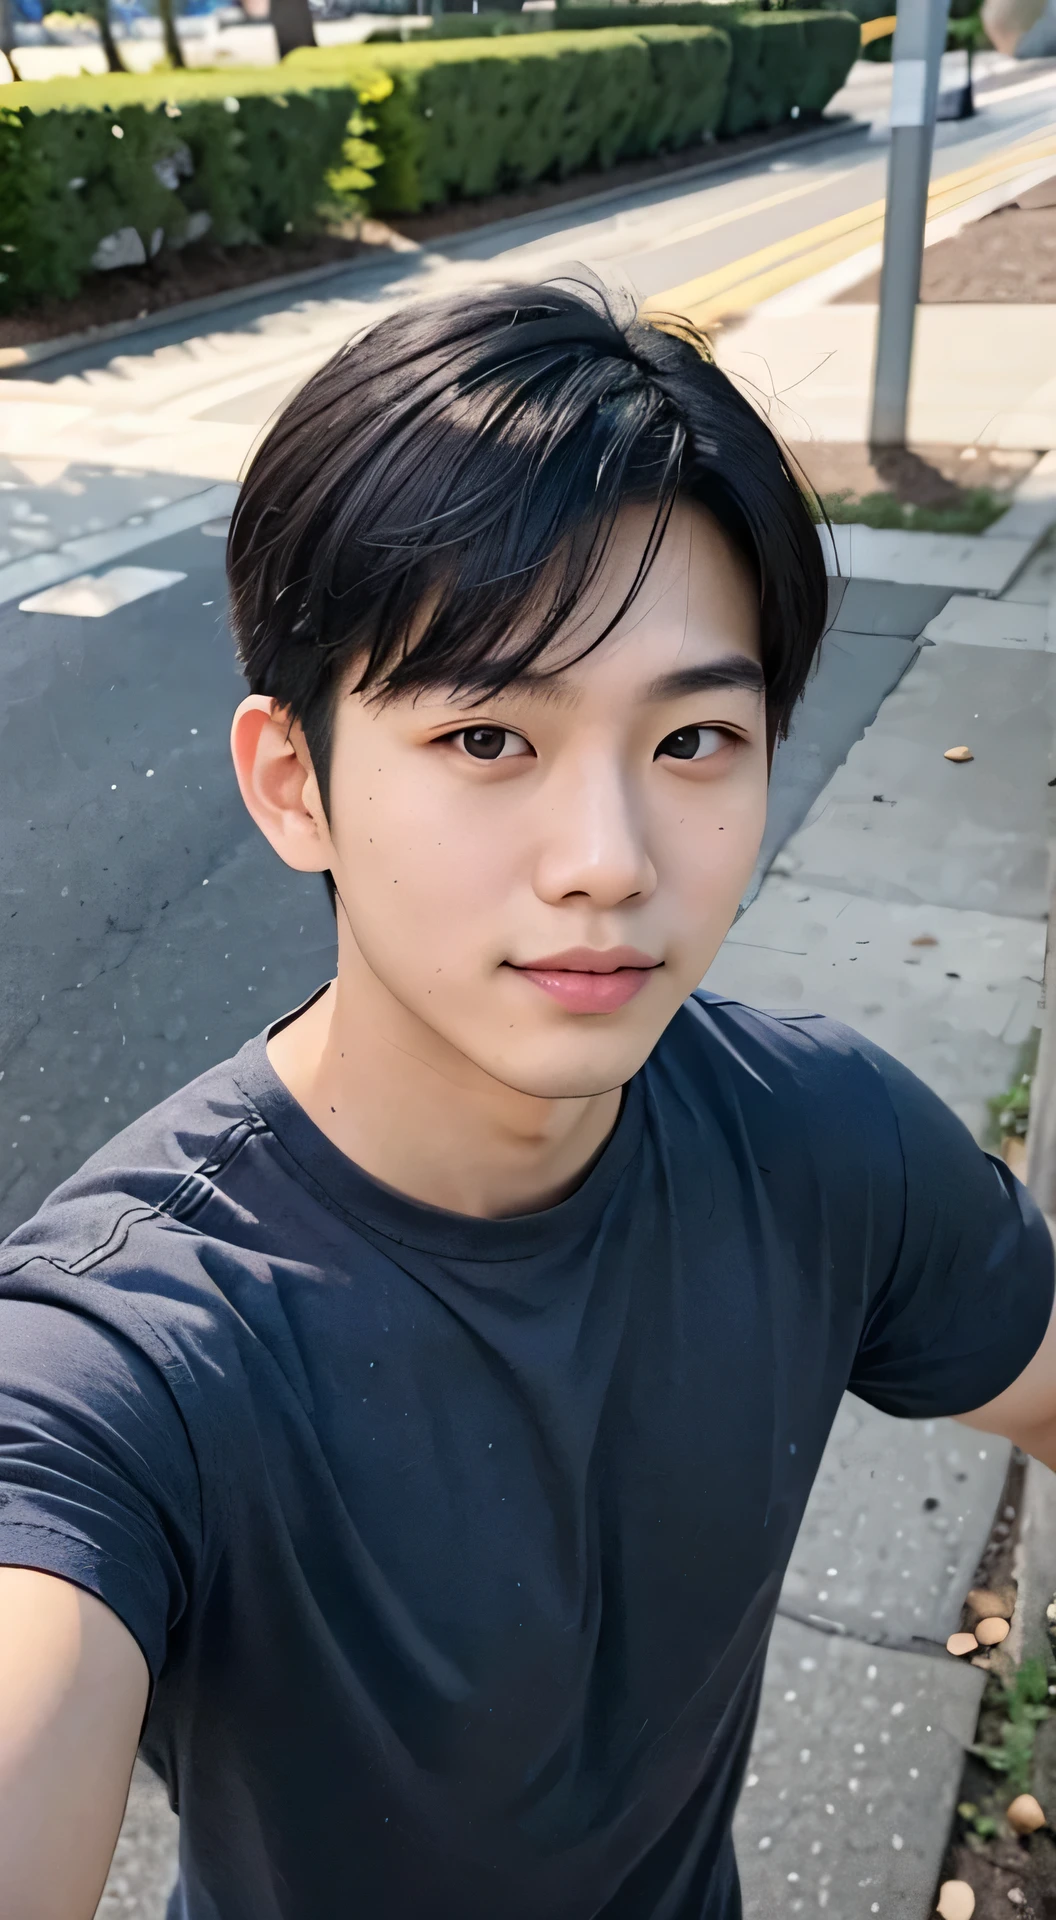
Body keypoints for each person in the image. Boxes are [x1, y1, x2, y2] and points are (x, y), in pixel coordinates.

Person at [0, 277, 1053, 1920]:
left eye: (695, 738)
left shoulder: (823, 1148)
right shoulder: (129, 1346)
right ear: (297, 781)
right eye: (490, 736)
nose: (610, 865)